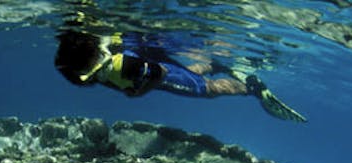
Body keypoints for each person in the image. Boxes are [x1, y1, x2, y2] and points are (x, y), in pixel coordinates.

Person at [55, 30, 307, 122]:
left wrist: (138, 94)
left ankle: (252, 87)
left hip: (152, 75)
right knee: (186, 74)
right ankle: (212, 63)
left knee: (206, 90)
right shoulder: (85, 62)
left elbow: (160, 72)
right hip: (148, 62)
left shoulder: (122, 66)